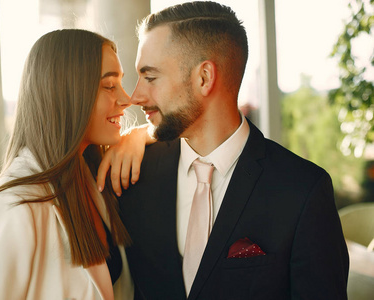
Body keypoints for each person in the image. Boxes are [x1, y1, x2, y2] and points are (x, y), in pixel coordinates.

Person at [99, 2, 349, 299]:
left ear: (204, 78)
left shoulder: (302, 190)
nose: (136, 95)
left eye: (151, 77)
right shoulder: (132, 173)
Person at [0, 29, 134, 300]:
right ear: (67, 91)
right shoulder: (11, 209)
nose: (127, 99)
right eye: (110, 86)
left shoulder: (93, 179)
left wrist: (138, 136)